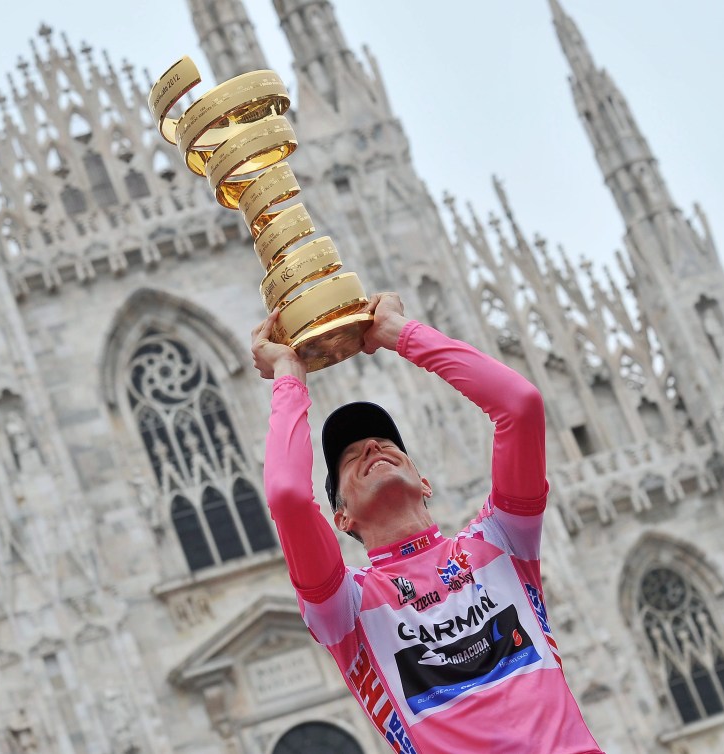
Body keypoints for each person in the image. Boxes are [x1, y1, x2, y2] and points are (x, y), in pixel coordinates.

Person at [252, 292, 602, 753]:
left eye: (383, 443)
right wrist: (288, 375)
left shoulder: (500, 542)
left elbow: (520, 407)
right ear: (341, 518)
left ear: (425, 481)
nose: (372, 449)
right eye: (351, 458)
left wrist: (401, 334)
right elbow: (289, 496)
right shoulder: (347, 607)